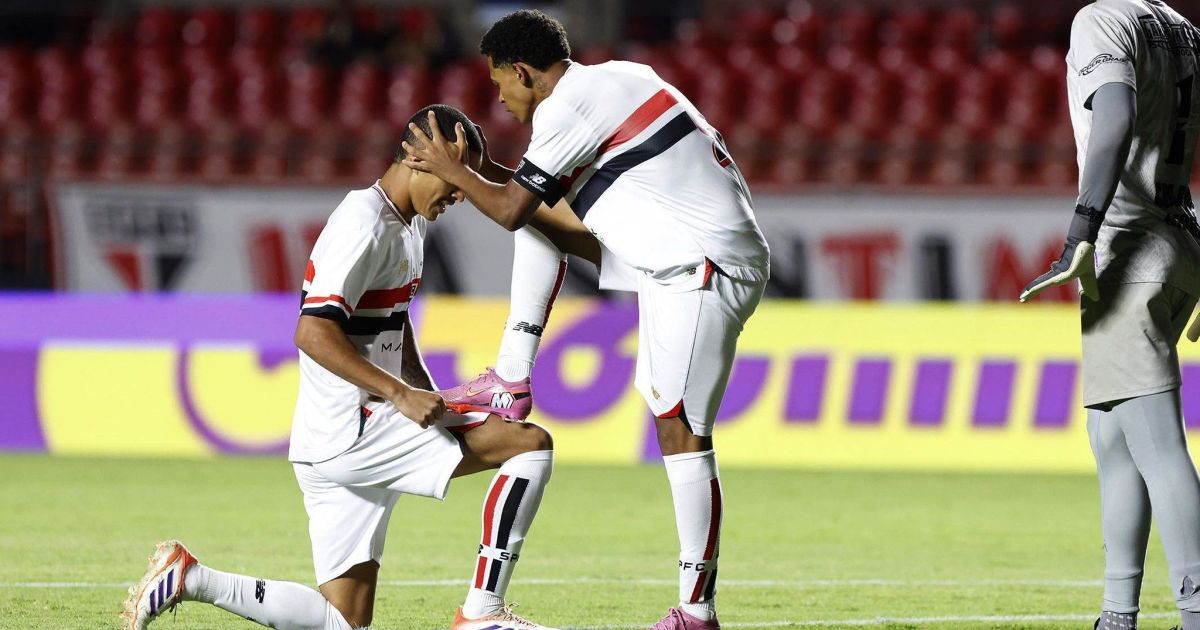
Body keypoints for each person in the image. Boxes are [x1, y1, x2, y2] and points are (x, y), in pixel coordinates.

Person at [121, 104, 560, 630]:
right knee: (529, 446)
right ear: (418, 160)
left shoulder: (407, 226)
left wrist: (426, 392)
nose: (461, 192)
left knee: (343, 621)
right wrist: (400, 395)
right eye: (454, 175)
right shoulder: (363, 224)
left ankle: (190, 578)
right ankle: (482, 613)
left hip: (327, 439)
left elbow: (392, 320)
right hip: (355, 429)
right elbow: (312, 331)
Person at [401, 10, 771, 629]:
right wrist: (481, 173)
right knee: (538, 221)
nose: (500, 97)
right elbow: (527, 206)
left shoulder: (567, 108)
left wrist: (453, 169)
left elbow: (510, 207)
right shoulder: (617, 78)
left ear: (524, 71)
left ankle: (696, 611)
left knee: (682, 429)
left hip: (702, 266)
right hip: (676, 255)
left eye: (500, 82)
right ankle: (511, 378)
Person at [1020, 2, 1200, 628]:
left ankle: (1195, 611)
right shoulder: (1183, 28)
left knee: (1157, 444)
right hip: (1177, 239)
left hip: (1127, 249)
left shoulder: (1101, 18)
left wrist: (1081, 232)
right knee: (1113, 439)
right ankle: (1116, 615)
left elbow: (1115, 116)